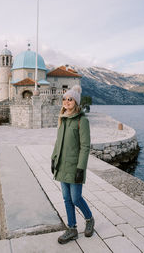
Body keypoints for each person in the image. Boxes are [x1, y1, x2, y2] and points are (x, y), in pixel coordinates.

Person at [51, 85, 94, 244]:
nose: (66, 101)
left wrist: (81, 168)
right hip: (62, 165)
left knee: (76, 198)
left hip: (75, 166)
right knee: (66, 198)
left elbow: (85, 146)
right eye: (64, 99)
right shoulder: (62, 118)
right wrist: (53, 158)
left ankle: (89, 219)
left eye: (70, 99)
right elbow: (58, 142)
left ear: (76, 102)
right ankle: (72, 229)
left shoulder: (82, 121)